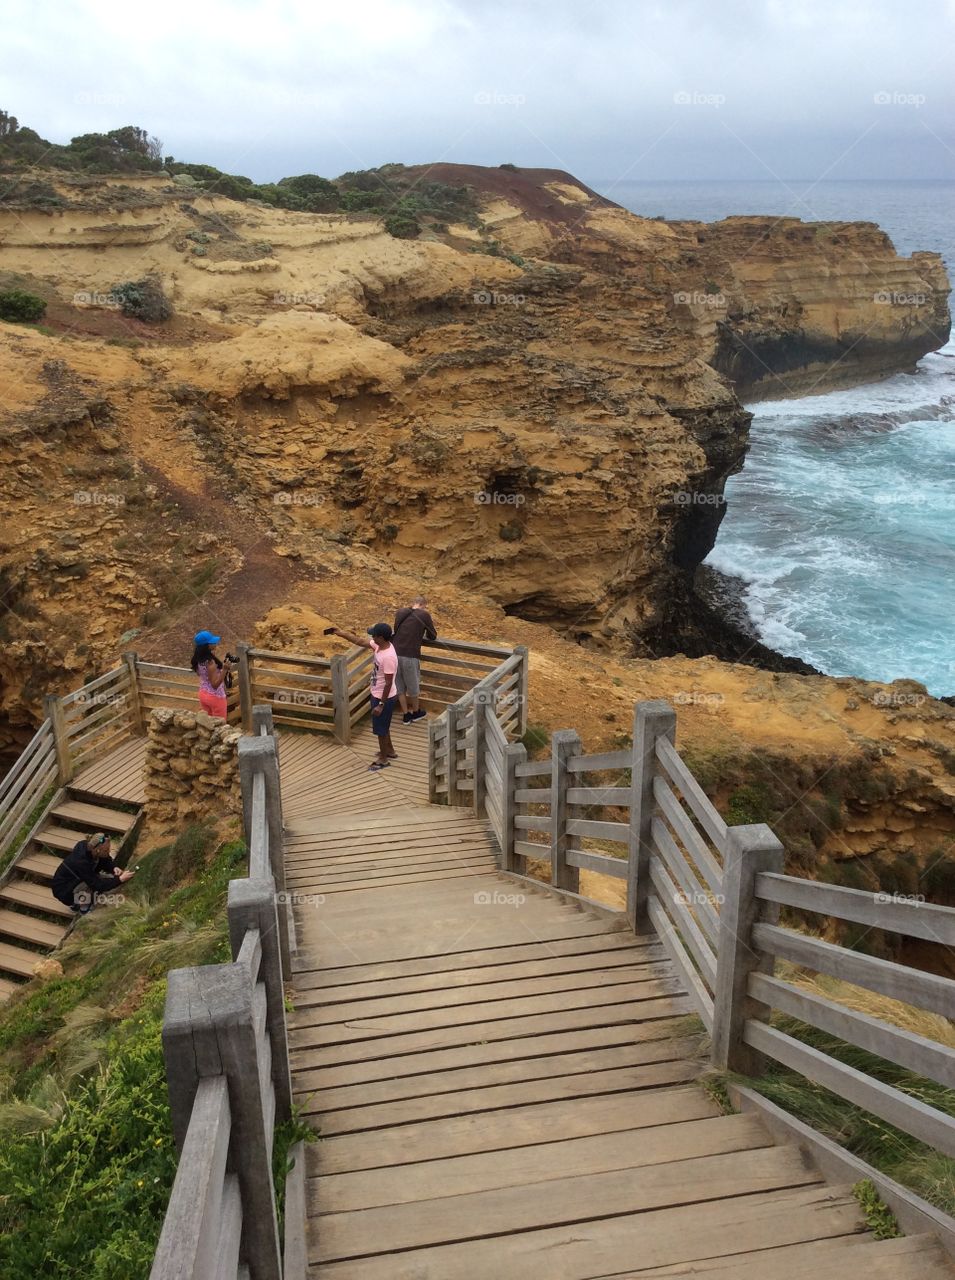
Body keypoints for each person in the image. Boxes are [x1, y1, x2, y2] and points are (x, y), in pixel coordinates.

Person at [328, 621, 399, 770]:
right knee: (383, 726)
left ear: (381, 637)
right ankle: (389, 751)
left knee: (380, 729)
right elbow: (360, 641)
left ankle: (383, 759)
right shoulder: (380, 645)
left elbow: (388, 682)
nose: (371, 637)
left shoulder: (389, 657)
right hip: (378, 693)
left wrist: (381, 704)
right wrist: (341, 633)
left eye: (374, 635)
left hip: (383, 697)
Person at [51, 832, 134, 915]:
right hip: (64, 891)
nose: (109, 851)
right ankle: (83, 909)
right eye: (106, 850)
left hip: (79, 879)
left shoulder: (91, 849)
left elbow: (105, 859)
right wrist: (120, 879)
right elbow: (97, 884)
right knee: (92, 886)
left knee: (107, 879)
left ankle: (78, 902)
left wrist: (113, 868)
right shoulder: (81, 862)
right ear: (97, 850)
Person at [392, 595, 437, 725]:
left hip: (394, 654)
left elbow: (396, 630)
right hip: (410, 655)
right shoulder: (424, 615)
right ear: (423, 605)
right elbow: (432, 635)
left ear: (413, 603)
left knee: (399, 686)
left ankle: (406, 715)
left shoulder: (401, 612)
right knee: (413, 686)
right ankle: (416, 712)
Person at [191, 629, 232, 719]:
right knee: (220, 725)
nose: (215, 643)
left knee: (207, 724)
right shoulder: (210, 663)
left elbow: (203, 675)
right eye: (212, 642)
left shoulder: (198, 660)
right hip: (216, 697)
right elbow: (215, 685)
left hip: (203, 693)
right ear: (207, 646)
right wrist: (224, 670)